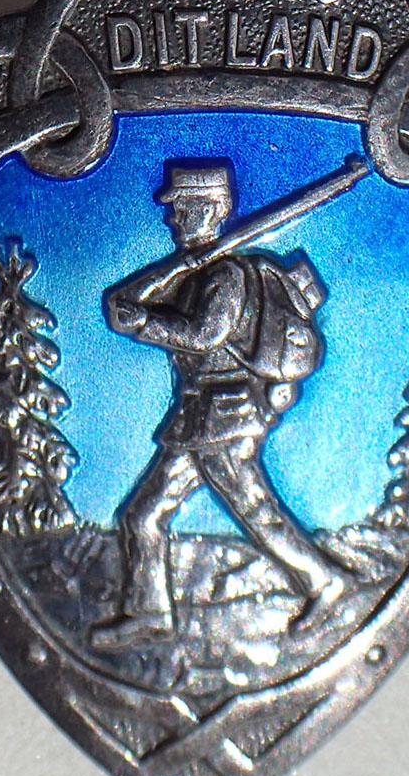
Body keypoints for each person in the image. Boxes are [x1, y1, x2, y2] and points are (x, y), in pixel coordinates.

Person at [90, 165, 353, 651]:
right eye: (175, 210)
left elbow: (202, 336)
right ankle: (151, 615)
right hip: (196, 418)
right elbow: (120, 304)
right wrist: (169, 273)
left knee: (254, 511)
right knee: (143, 516)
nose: (173, 218)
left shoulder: (226, 276)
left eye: (183, 209)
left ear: (212, 211)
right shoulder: (191, 272)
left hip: (228, 415)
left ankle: (326, 583)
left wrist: (146, 323)